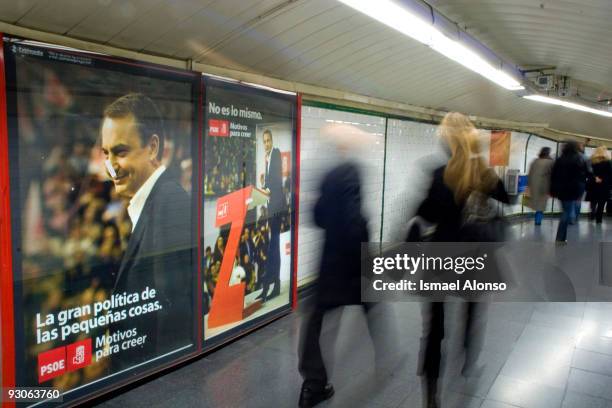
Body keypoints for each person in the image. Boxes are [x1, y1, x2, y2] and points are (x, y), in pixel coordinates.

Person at [415, 112, 509, 408]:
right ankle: (468, 354)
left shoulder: (438, 173)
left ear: (446, 140)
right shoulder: (483, 173)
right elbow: (508, 198)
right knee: (471, 308)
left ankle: (431, 395)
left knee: (434, 328)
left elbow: (427, 215)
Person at [100, 93, 193, 367]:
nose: (110, 166)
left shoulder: (169, 201)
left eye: (120, 152)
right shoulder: (150, 203)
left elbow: (174, 311)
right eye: (105, 153)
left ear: (152, 148)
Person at [259, 129, 285, 302]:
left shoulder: (275, 154)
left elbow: (276, 180)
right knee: (273, 248)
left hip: (276, 207)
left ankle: (270, 285)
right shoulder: (268, 158)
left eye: (268, 140)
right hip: (271, 207)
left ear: (272, 140)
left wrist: (267, 187)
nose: (266, 144)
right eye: (264, 141)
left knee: (272, 248)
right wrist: (263, 184)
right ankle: (271, 285)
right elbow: (270, 181)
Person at [551, 140, 588, 243]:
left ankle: (562, 237)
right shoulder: (579, 159)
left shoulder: (559, 159)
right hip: (573, 190)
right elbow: (585, 173)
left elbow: (553, 176)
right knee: (567, 213)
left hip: (561, 190)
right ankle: (560, 238)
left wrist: (553, 190)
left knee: (566, 211)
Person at [527, 147, 554, 225]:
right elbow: (552, 175)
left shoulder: (534, 161)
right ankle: (538, 221)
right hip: (545, 186)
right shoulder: (550, 162)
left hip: (534, 185)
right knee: (541, 205)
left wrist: (528, 185)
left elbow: (530, 174)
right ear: (548, 153)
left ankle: (535, 218)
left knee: (535, 203)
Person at [588, 146, 612, 224]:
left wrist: (595, 178)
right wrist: (603, 180)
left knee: (593, 201)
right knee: (602, 203)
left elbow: (588, 172)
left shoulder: (591, 161)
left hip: (593, 184)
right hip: (604, 185)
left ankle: (592, 214)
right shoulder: (608, 162)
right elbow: (610, 174)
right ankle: (599, 219)